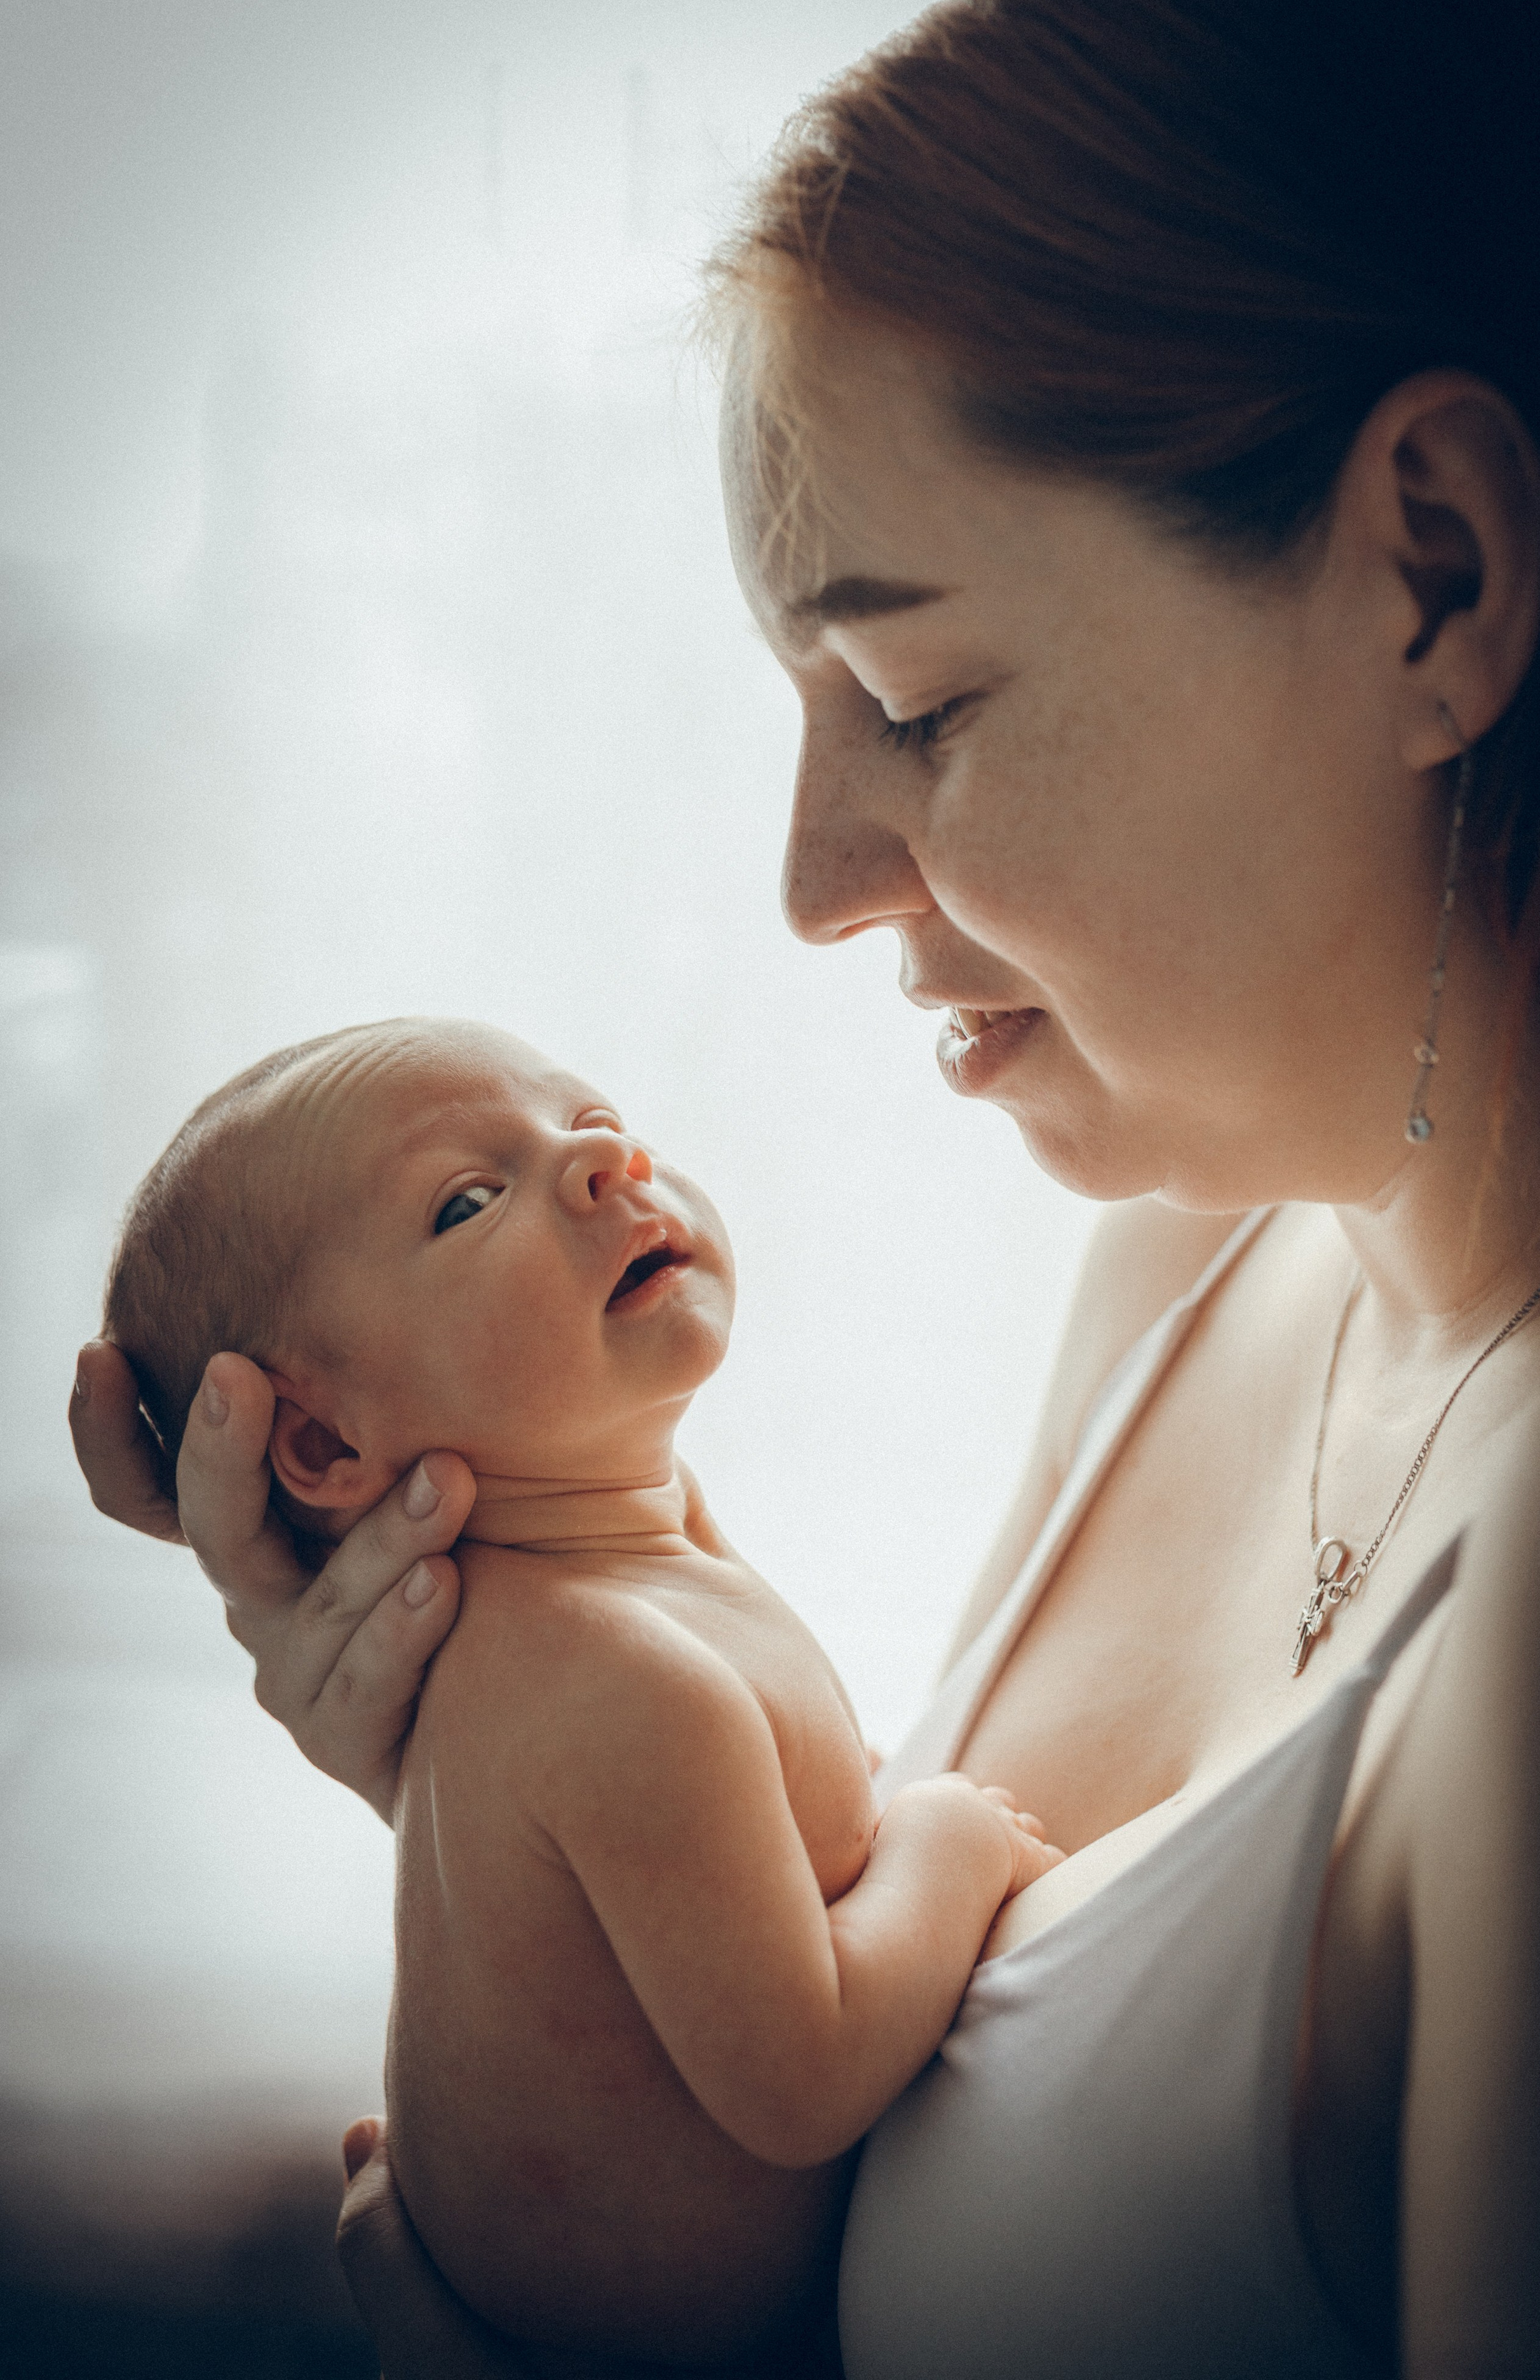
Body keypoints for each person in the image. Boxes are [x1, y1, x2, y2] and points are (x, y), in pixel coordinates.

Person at [72, 0, 1540, 2370]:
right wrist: (511, 1783)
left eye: (915, 697)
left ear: (1433, 574)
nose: (811, 886)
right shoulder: (1194, 1269)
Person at [99, 1017, 1060, 2373]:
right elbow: (805, 2078)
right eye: (466, 1200)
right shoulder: (611, 1679)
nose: (605, 1159)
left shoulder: (612, 1587)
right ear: (321, 1440)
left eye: (589, 1116)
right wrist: (950, 1840)